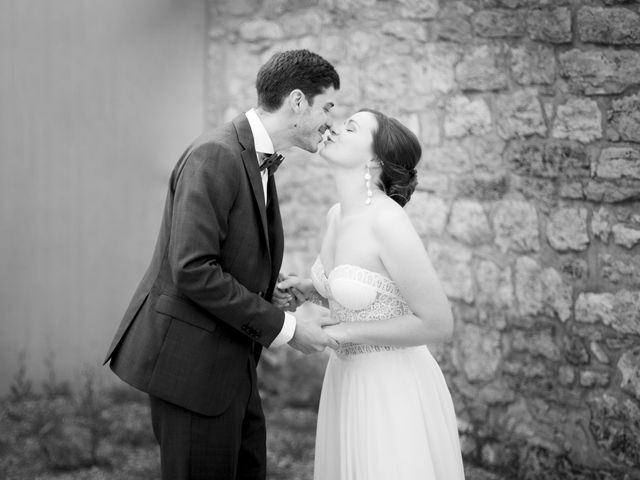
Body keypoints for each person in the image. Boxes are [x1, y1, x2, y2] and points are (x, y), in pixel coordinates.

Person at [103, 49, 340, 480]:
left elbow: (224, 257)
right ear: (298, 101)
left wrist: (267, 292)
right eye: (328, 107)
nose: (331, 122)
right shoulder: (216, 155)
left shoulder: (255, 159)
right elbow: (192, 270)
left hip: (233, 369)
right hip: (192, 373)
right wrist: (287, 330)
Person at [276, 109, 466, 479]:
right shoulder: (336, 216)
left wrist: (341, 334)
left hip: (390, 386)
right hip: (346, 380)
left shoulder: (387, 221)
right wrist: (312, 288)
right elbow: (366, 292)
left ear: (375, 159)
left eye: (350, 127)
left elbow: (438, 324)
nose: (333, 127)